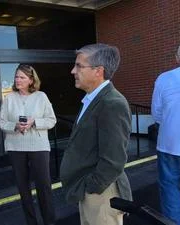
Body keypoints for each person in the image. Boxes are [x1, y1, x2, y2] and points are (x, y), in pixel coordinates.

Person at [59, 43, 132, 225]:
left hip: (102, 194)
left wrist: (92, 188)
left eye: (79, 66)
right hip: (92, 192)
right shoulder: (93, 100)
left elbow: (114, 159)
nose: (73, 71)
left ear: (98, 71)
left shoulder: (112, 103)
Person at [0, 64, 57, 225]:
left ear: (31, 80)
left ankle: (49, 222)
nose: (18, 80)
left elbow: (52, 120)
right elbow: (2, 122)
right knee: (23, 190)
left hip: (38, 147)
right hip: (16, 147)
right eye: (16, 77)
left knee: (44, 188)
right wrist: (15, 126)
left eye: (22, 77)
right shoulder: (9, 98)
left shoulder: (41, 96)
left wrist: (34, 122)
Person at [151, 40, 180, 225]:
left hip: (170, 145)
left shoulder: (165, 78)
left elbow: (156, 113)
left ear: (176, 58)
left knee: (170, 190)